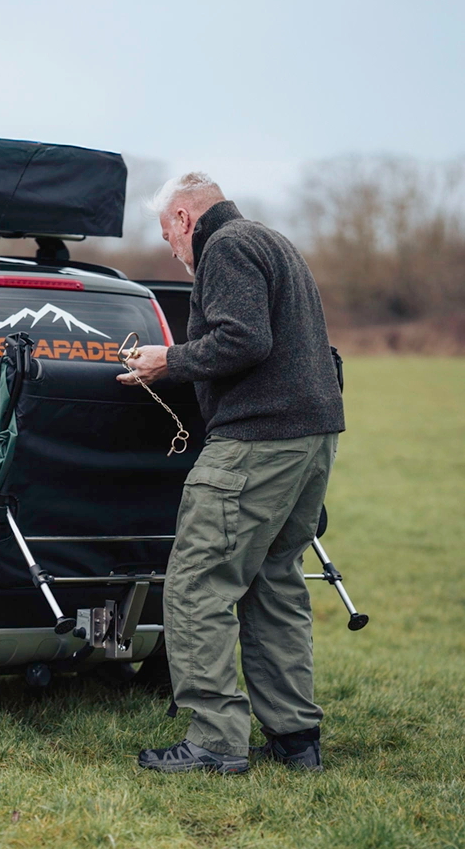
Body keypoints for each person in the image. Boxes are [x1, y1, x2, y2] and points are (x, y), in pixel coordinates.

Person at [118, 172, 345, 774]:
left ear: (185, 218)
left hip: (257, 440)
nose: (173, 250)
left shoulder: (225, 246)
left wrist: (169, 360)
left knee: (197, 583)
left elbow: (244, 340)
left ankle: (215, 743)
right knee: (274, 583)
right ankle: (296, 740)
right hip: (311, 438)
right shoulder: (271, 241)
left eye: (168, 235)